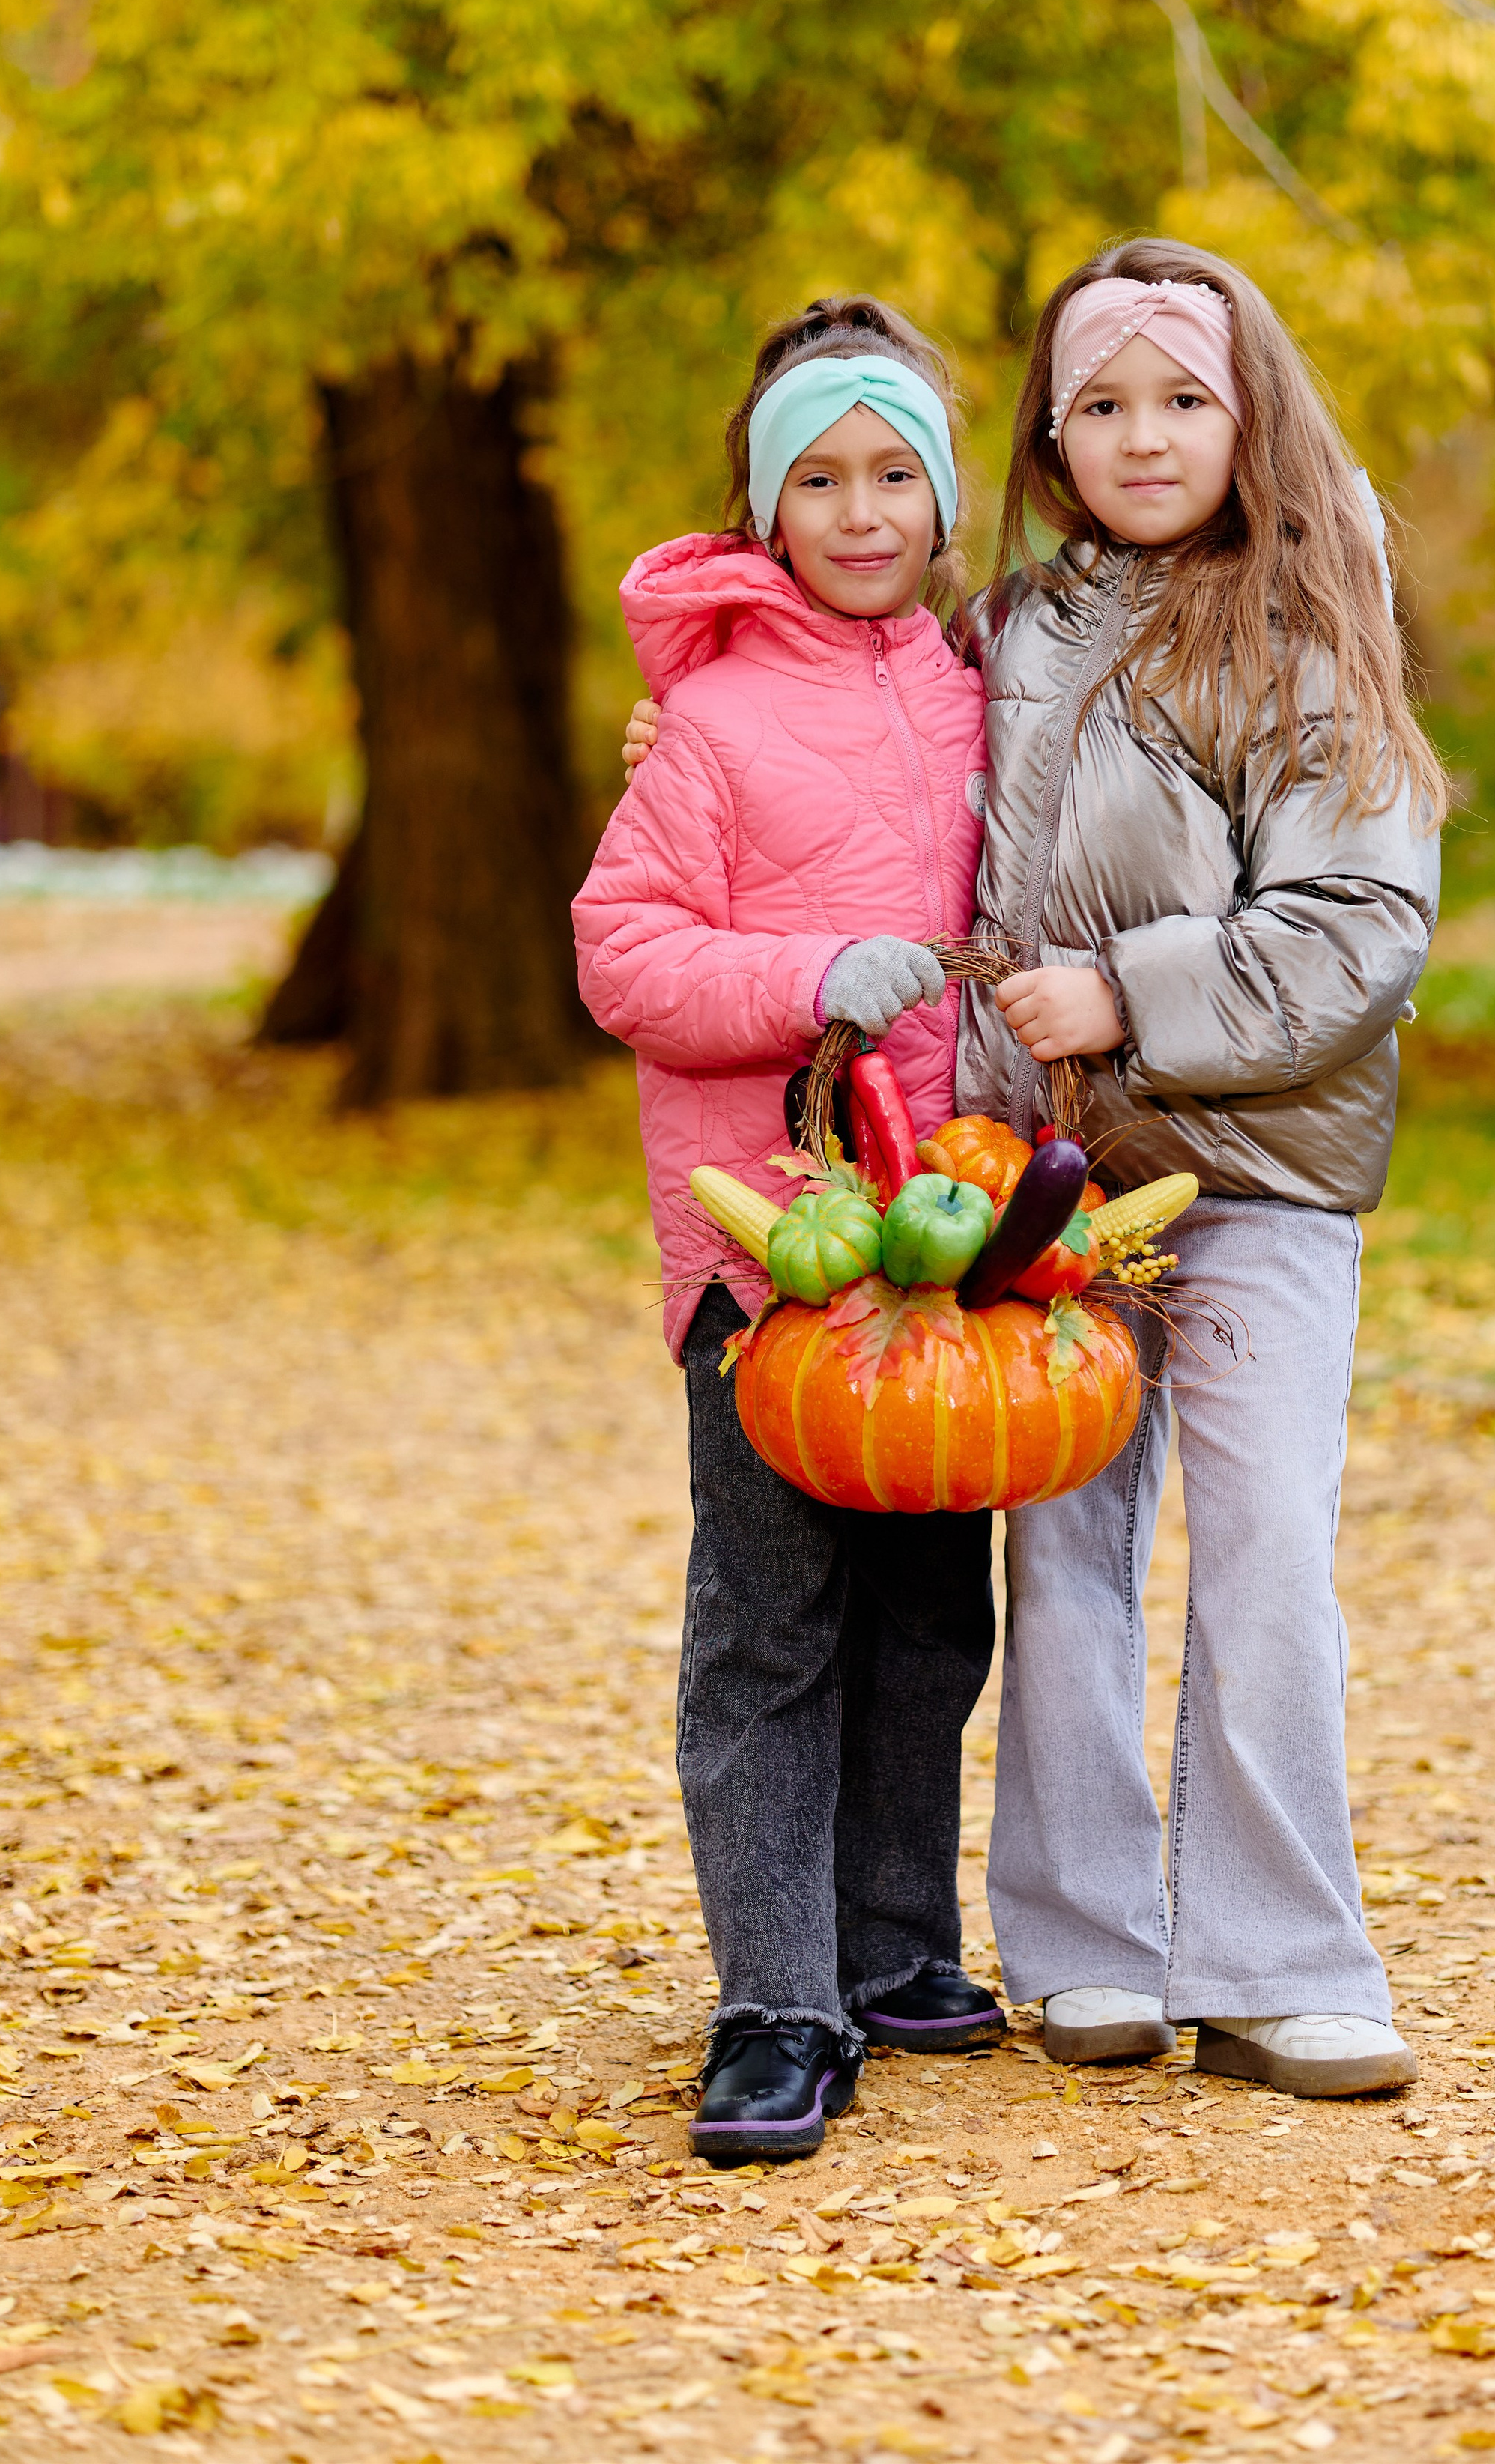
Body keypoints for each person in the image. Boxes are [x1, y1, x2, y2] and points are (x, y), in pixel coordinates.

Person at [962, 239, 1444, 2093]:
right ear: (1051, 434)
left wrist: (1127, 996)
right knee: (1061, 1548)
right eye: (1100, 404)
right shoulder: (1008, 635)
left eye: (1182, 397)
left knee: (1257, 1556)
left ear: (1250, 416)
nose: (1141, 435)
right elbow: (878, 794)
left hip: (1251, 1178)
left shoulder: (1310, 632)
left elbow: (1356, 925)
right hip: (1049, 1184)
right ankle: (1086, 1946)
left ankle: (1280, 1955)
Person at [573, 295, 1001, 2166]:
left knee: (927, 1614)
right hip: (770, 1250)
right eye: (814, 477)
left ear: (943, 497)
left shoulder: (987, 691)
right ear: (765, 511)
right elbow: (626, 952)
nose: (856, 507)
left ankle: (895, 1944)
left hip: (948, 1244)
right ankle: (773, 1999)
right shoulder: (716, 726)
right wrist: (810, 969)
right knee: (772, 1621)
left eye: (890, 471)